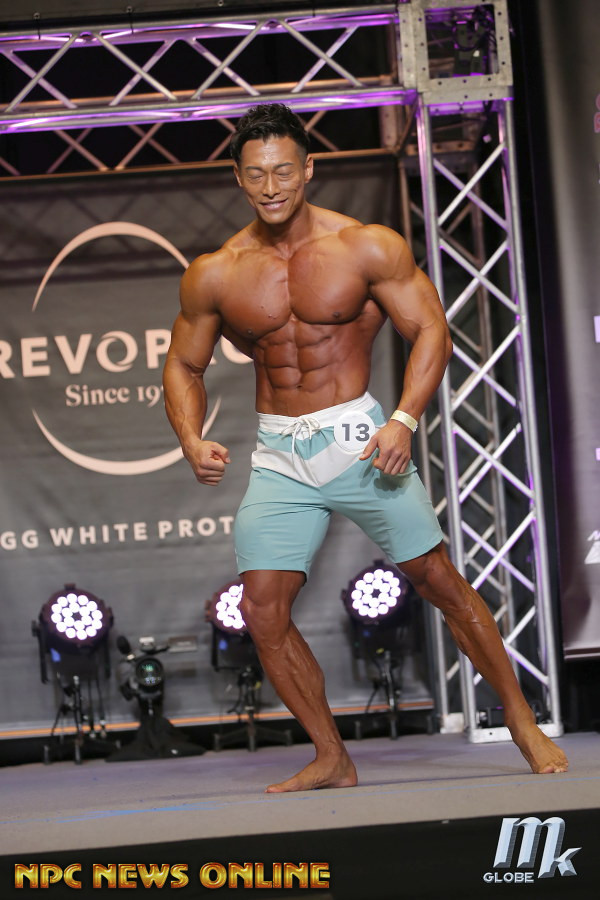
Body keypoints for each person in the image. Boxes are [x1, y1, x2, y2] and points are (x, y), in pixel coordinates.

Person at [163, 103, 568, 792]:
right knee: (262, 610)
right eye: (256, 174)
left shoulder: (366, 246)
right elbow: (182, 364)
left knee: (437, 579)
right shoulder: (215, 272)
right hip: (280, 453)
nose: (270, 187)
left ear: (308, 169)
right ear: (238, 177)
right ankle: (331, 755)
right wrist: (190, 438)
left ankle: (522, 718)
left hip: (361, 438)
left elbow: (431, 330)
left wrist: (404, 419)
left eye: (283, 171)